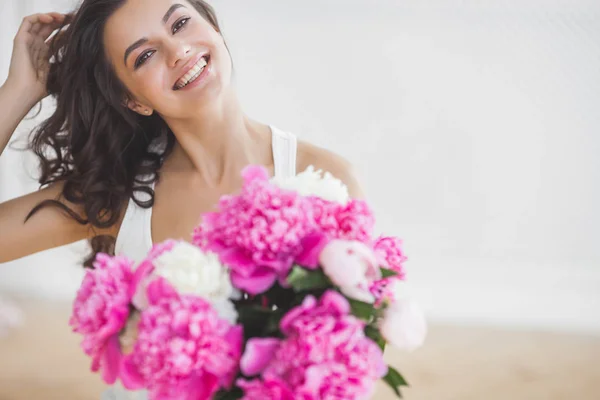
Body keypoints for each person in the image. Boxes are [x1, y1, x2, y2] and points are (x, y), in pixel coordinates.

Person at [0, 0, 365, 398]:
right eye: (145, 55)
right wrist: (17, 92)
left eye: (181, 23)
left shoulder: (327, 181)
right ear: (132, 100)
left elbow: (351, 357)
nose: (178, 52)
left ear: (213, 27)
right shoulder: (116, 197)